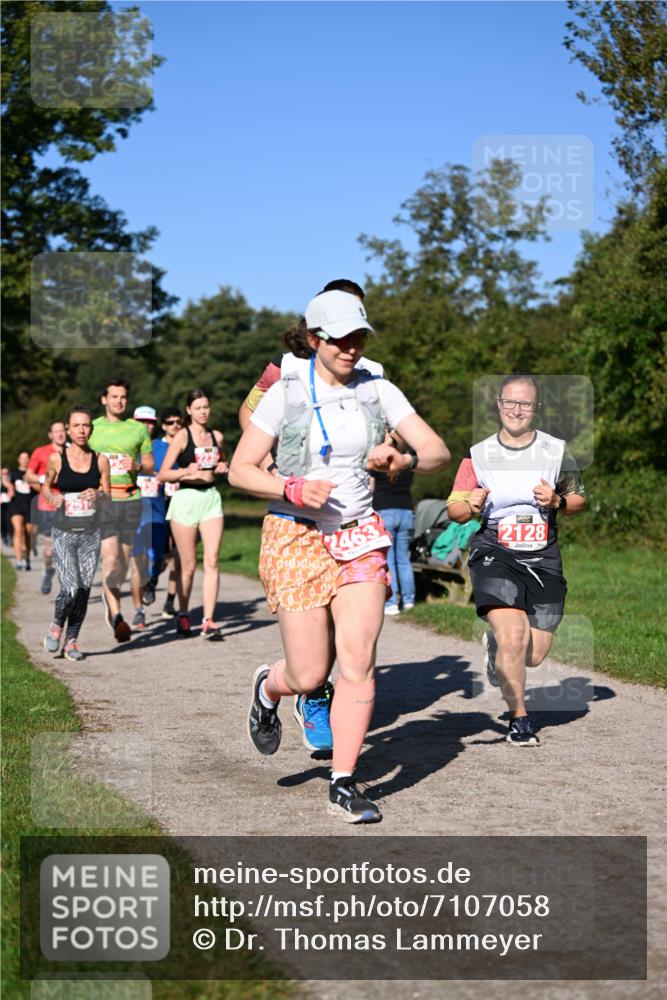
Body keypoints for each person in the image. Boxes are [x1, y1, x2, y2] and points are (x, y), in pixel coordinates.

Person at [229, 289, 450, 823]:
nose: (351, 347)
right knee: (309, 673)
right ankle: (269, 687)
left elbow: (439, 452)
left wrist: (402, 458)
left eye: (358, 337)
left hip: (358, 535)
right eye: (340, 338)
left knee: (357, 657)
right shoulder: (284, 390)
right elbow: (240, 470)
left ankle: (344, 781)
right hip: (297, 532)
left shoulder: (378, 388)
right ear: (313, 339)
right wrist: (291, 489)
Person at [238, 278, 384, 752]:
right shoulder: (282, 372)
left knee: (355, 637)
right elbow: (249, 416)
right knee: (310, 657)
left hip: (348, 523)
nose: (352, 337)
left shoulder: (367, 376)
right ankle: (300, 691)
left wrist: (382, 457)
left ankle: (324, 707)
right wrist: (279, 463)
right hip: (297, 517)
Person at [446, 372, 586, 747]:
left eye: (525, 403)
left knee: (535, 654)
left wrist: (557, 502)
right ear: (498, 405)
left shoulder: (555, 450)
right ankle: (519, 719)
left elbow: (579, 499)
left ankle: (495, 652)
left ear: (536, 408)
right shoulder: (478, 454)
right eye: (510, 402)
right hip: (495, 551)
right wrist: (469, 504)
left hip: (543, 556)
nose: (517, 409)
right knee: (513, 636)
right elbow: (454, 508)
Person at [41, 407, 111, 661]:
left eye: (86, 426)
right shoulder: (57, 459)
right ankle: (57, 622)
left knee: (82, 590)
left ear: (91, 429)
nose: (82, 430)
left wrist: (98, 494)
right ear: (68, 429)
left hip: (90, 534)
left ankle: (71, 642)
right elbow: (46, 487)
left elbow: (109, 494)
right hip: (64, 532)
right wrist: (52, 497)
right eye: (77, 426)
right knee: (69, 588)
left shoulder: (100, 459)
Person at [157, 389, 227, 640]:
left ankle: (209, 620)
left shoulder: (216, 436)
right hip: (185, 499)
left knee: (213, 560)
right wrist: (186, 470)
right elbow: (163, 474)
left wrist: (222, 467)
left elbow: (224, 464)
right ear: (188, 410)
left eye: (206, 406)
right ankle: (184, 613)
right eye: (198, 407)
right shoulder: (181, 437)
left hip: (210, 498)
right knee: (188, 566)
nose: (203, 412)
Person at [88, 378, 154, 642]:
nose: (119, 401)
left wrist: (135, 465)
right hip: (105, 501)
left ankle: (111, 600)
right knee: (111, 560)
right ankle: (116, 616)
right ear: (104, 399)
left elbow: (150, 466)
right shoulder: (92, 429)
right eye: (114, 396)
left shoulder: (137, 430)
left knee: (123, 564)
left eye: (123, 397)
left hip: (131, 500)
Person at [142, 406, 184, 618]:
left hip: (181, 505)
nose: (174, 426)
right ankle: (152, 580)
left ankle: (170, 601)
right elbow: (145, 471)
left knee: (178, 556)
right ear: (163, 425)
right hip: (159, 505)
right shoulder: (154, 446)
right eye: (170, 422)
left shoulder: (187, 446)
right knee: (159, 555)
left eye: (178, 422)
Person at [25, 421, 68, 594]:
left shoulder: (74, 450)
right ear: (50, 435)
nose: (60, 434)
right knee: (50, 547)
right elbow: (28, 475)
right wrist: (46, 480)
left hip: (70, 504)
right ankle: (48, 570)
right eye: (56, 431)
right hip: (48, 504)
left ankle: (68, 585)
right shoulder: (40, 452)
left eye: (62, 431)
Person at [371, 456, 417, 615]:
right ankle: (409, 601)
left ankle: (391, 603)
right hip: (406, 510)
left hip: (384, 509)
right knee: (403, 558)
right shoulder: (407, 463)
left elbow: (371, 488)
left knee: (388, 559)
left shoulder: (377, 463)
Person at [8, 451, 35, 570]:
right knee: (18, 530)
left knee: (28, 533)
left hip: (29, 505)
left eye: (26, 458)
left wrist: (31, 481)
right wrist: (9, 487)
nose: (24, 460)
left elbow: (40, 488)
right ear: (18, 459)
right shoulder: (13, 473)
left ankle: (27, 559)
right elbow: (7, 484)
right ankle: (19, 560)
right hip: (16, 505)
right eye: (22, 458)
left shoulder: (32, 473)